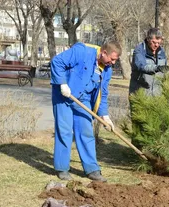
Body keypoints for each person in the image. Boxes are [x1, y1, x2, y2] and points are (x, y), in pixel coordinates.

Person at [50, 41, 122, 182]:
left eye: (115, 60)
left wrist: (104, 115)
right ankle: (62, 169)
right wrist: (62, 83)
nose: (112, 63)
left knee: (86, 131)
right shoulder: (81, 52)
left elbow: (103, 93)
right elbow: (57, 62)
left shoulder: (106, 70)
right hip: (64, 95)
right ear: (104, 53)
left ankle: (92, 169)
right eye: (111, 59)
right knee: (64, 131)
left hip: (83, 99)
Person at [129, 28, 169, 97]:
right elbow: (142, 66)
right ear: (148, 39)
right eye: (154, 42)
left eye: (158, 43)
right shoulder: (139, 50)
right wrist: (157, 68)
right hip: (140, 95)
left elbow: (164, 74)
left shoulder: (161, 51)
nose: (156, 45)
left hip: (157, 96)